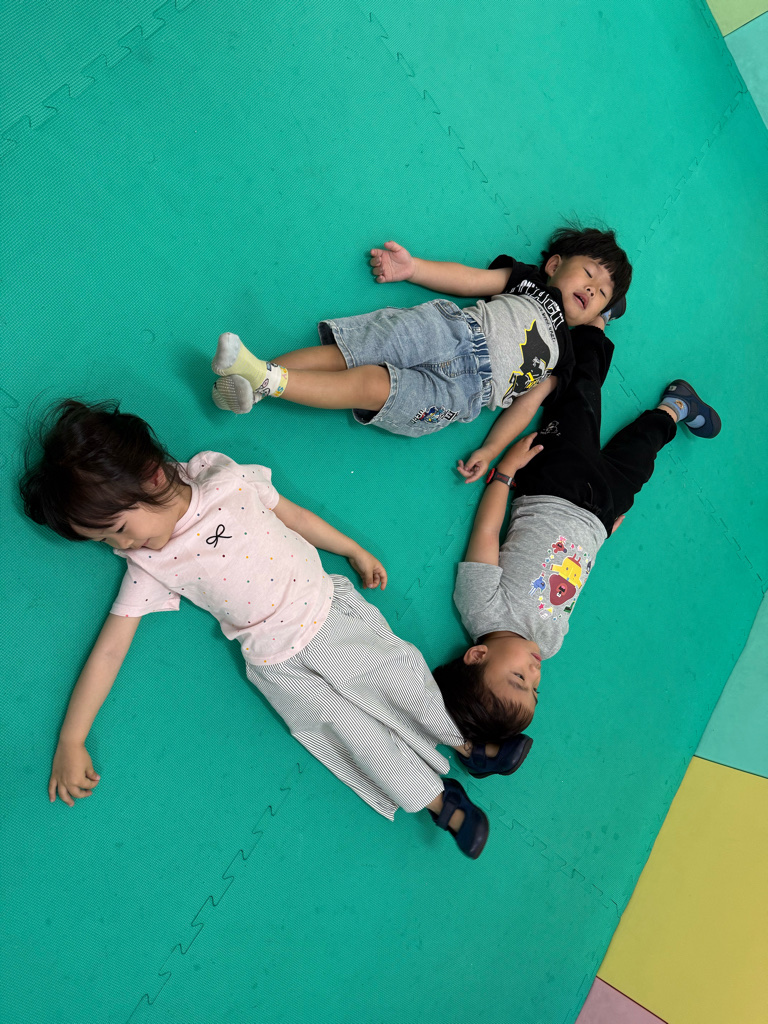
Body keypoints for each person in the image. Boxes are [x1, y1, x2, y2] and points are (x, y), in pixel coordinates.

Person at [18, 401, 519, 859]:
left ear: (151, 478)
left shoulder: (223, 477)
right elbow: (109, 650)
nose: (118, 548)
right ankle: (439, 801)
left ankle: (465, 743)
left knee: (400, 679)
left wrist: (351, 548)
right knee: (355, 737)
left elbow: (293, 515)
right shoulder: (149, 564)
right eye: (104, 542)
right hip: (279, 666)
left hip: (327, 612)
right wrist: (71, 738)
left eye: (118, 530)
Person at [431, 322, 721, 773]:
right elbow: (573, 579)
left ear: (477, 656)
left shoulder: (480, 609)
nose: (534, 673)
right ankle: (675, 408)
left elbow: (486, 533)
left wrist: (505, 473)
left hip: (554, 484)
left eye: (518, 678)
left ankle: (594, 321)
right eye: (535, 689)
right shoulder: (548, 643)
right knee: (640, 457)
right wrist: (600, 536)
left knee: (580, 399)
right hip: (599, 515)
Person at [209, 227, 632, 481]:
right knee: (353, 352)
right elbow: (470, 279)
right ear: (554, 265)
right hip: (449, 331)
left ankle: (260, 379)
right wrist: (413, 269)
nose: (591, 288)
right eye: (589, 273)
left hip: (462, 395)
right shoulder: (529, 282)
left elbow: (525, 406)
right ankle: (259, 376)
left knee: (373, 386)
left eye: (602, 294)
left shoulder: (565, 358)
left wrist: (491, 449)